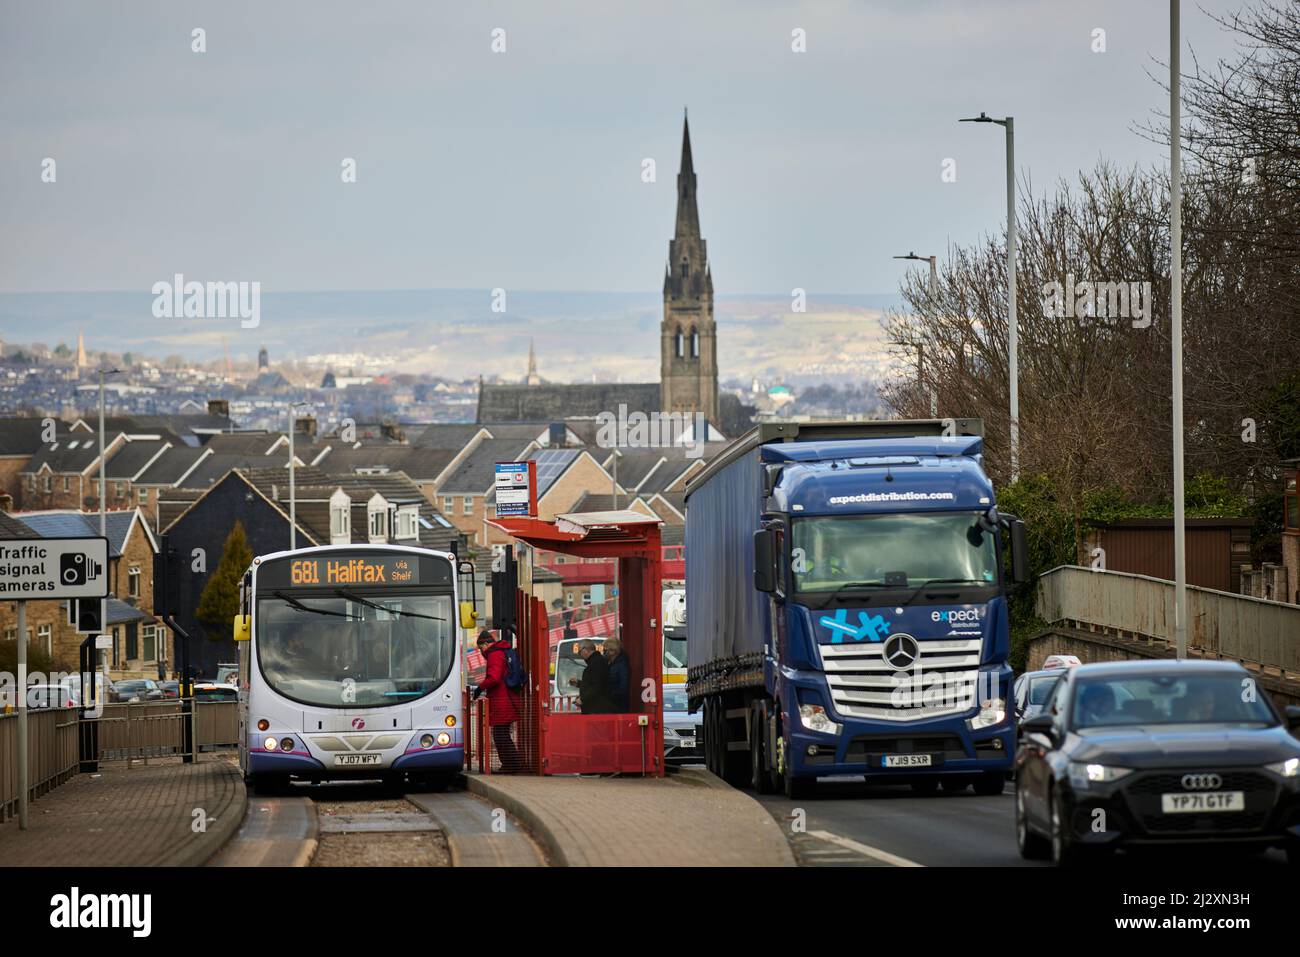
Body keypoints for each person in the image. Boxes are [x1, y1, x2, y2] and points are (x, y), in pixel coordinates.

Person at [475, 629, 523, 772]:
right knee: (502, 733)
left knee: (500, 734)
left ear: (485, 644)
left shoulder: (494, 655)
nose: (480, 651)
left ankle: (512, 765)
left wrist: (480, 688)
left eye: (480, 647)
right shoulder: (501, 652)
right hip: (506, 698)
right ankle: (511, 764)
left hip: (502, 700)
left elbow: (494, 678)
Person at [568, 639, 613, 714]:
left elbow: (597, 686)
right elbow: (592, 683)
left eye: (579, 652)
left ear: (585, 650)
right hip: (596, 707)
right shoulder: (596, 662)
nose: (580, 655)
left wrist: (582, 699)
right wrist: (578, 683)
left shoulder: (597, 663)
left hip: (597, 709)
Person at [605, 635, 629, 713]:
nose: (605, 653)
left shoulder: (622, 665)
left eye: (606, 650)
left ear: (613, 651)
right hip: (612, 702)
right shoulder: (611, 663)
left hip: (618, 704)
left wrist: (610, 694)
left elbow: (624, 686)